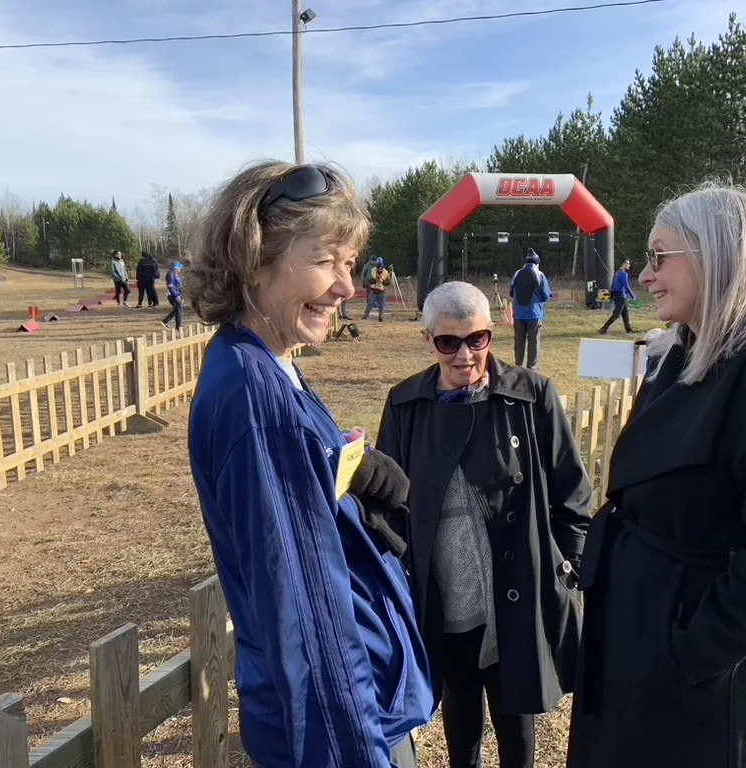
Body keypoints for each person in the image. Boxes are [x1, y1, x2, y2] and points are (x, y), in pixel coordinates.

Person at [566, 182, 746, 768]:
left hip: (698, 686)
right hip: (635, 644)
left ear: (716, 256)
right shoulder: (684, 354)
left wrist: (689, 651)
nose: (647, 276)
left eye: (660, 257)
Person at [186, 161, 434, 768]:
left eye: (350, 264)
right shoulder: (256, 399)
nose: (348, 288)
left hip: (365, 707)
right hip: (344, 728)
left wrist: (351, 490)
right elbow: (306, 620)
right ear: (255, 256)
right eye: (326, 260)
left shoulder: (271, 366)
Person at [377, 281, 591, 768]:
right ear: (428, 340)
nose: (464, 355)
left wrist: (569, 563)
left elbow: (571, 488)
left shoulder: (530, 395)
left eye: (477, 339)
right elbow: (389, 503)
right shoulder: (406, 404)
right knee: (460, 711)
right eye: (448, 342)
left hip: (512, 592)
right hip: (444, 595)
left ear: (492, 335)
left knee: (516, 716)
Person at [509, 249, 553, 369]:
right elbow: (545, 295)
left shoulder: (517, 273)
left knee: (519, 343)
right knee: (534, 343)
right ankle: (531, 370)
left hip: (518, 315)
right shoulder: (540, 275)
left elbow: (511, 292)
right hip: (534, 314)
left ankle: (518, 367)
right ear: (537, 263)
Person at [597, 259, 635, 335]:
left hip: (617, 295)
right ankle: (603, 329)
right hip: (621, 295)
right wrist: (632, 296)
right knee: (616, 314)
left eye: (629, 264)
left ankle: (629, 329)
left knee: (625, 313)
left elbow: (613, 285)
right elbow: (626, 286)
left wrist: (612, 294)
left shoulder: (617, 273)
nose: (629, 265)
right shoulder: (624, 274)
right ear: (623, 264)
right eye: (627, 263)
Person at [362, 257, 391, 321]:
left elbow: (388, 282)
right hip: (373, 290)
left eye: (381, 269)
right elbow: (369, 280)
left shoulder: (386, 272)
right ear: (377, 267)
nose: (380, 270)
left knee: (382, 305)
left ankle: (381, 317)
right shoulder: (372, 271)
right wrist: (376, 279)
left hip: (382, 291)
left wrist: (383, 281)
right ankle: (365, 316)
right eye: (379, 269)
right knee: (370, 304)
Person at [162, 261, 184, 331]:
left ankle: (166, 321)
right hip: (173, 295)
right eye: (179, 268)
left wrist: (181, 296)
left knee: (177, 309)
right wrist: (176, 295)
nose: (180, 270)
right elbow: (170, 286)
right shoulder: (171, 274)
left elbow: (179, 286)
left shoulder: (175, 274)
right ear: (176, 267)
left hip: (177, 294)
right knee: (179, 309)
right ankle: (179, 326)